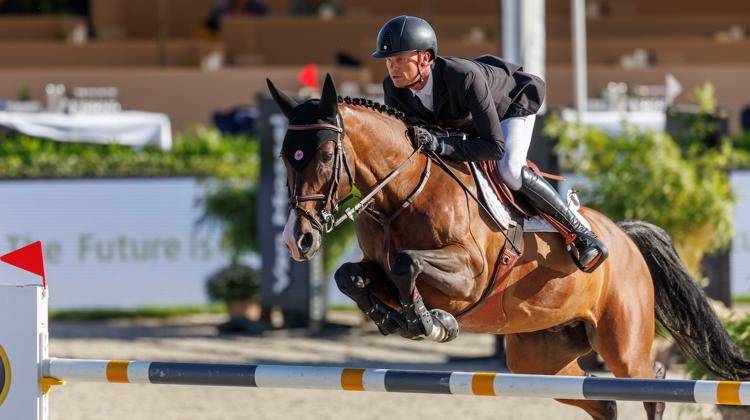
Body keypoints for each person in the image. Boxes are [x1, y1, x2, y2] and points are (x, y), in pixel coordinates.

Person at [372, 15, 607, 273]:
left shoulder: (463, 77)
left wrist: (440, 145)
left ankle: (581, 233)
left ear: (425, 59)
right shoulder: (393, 88)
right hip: (465, 126)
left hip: (511, 105)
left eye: (400, 59)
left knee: (509, 169)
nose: (392, 67)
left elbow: (494, 147)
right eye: (389, 61)